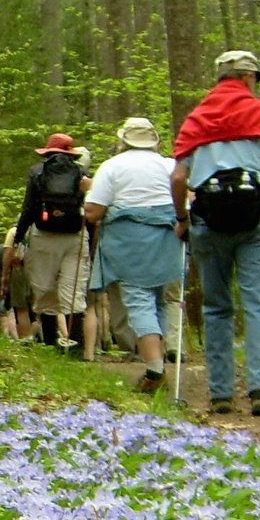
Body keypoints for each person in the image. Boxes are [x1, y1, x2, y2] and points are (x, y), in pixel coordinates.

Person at [170, 50, 260, 417]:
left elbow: (179, 178)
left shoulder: (196, 120)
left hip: (208, 221)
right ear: (246, 78)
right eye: (255, 79)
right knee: (259, 303)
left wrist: (182, 217)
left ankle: (221, 393)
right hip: (257, 218)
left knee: (216, 306)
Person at [86, 117, 186, 393]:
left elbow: (93, 212)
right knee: (159, 299)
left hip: (129, 242)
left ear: (123, 140)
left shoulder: (112, 167)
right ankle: (160, 361)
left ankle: (154, 370)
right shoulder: (168, 165)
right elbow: (186, 200)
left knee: (139, 300)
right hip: (166, 239)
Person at [9, 133, 93, 352]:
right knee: (73, 291)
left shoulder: (37, 172)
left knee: (44, 287)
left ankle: (50, 344)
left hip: (44, 236)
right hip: (75, 236)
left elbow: (28, 208)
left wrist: (18, 239)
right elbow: (91, 208)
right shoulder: (82, 174)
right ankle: (75, 347)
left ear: (48, 151)